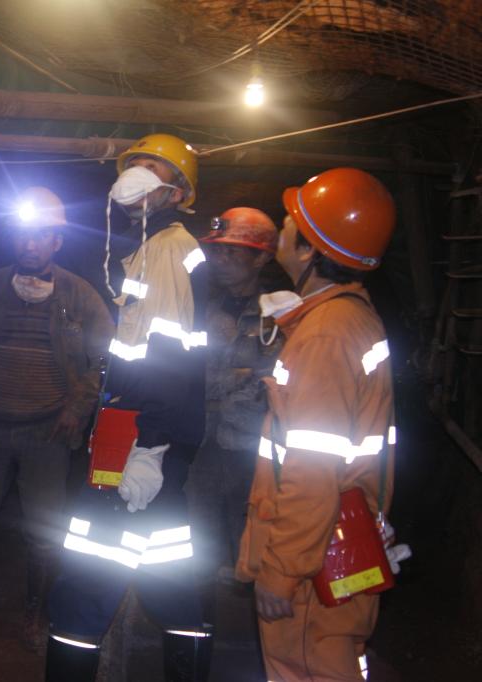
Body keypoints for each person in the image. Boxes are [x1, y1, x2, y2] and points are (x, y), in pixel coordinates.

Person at [45, 134, 213, 682]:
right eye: (133, 165)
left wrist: (150, 447)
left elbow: (167, 353)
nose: (135, 174)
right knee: (171, 583)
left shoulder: (165, 248)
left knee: (83, 589)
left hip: (140, 439)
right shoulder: (153, 247)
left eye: (151, 168)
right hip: (152, 435)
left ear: (176, 191)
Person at [236, 168, 409, 680]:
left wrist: (283, 570)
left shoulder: (326, 336)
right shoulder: (347, 318)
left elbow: (312, 468)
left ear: (311, 249)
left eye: (291, 222)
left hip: (313, 561)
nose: (281, 229)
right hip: (335, 541)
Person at [0, 187, 114, 653]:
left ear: (57, 241)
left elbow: (105, 359)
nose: (30, 244)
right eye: (22, 235)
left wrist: (77, 409)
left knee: (46, 535)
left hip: (47, 432)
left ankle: (36, 614)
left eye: (41, 235)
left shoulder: (80, 294)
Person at [188, 208, 284, 599]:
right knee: (199, 551)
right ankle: (203, 619)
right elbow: (186, 371)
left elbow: (275, 381)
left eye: (232, 252)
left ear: (260, 258)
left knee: (252, 550)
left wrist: (228, 385)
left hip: (253, 451)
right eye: (216, 251)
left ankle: (247, 622)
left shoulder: (280, 314)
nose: (220, 260)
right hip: (201, 448)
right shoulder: (200, 307)